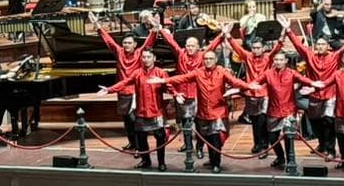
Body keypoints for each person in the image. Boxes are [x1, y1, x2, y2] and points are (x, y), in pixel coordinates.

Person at [151, 50, 253, 173]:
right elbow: (182, 78)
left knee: (216, 139)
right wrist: (164, 81)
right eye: (205, 59)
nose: (208, 61)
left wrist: (248, 86)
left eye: (210, 58)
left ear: (215, 60)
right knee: (208, 139)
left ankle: (216, 164)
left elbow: (234, 81)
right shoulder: (198, 72)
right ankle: (212, 160)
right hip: (203, 113)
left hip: (218, 113)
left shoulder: (222, 72)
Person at [283, 16, 344, 153]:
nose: (320, 46)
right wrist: (289, 30)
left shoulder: (334, 56)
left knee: (329, 121)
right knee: (315, 122)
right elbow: (299, 46)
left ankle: (331, 149)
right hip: (314, 96)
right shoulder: (310, 56)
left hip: (330, 95)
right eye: (318, 44)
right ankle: (322, 144)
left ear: (328, 46)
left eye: (322, 44)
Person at [92, 12, 157, 152]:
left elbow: (149, 42)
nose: (126, 45)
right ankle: (132, 143)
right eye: (125, 43)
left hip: (135, 93)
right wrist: (97, 25)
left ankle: (140, 147)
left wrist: (154, 28)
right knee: (127, 122)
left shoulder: (140, 53)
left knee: (135, 121)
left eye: (129, 43)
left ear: (135, 44)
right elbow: (108, 40)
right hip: (122, 92)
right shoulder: (119, 52)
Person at [99, 49, 173, 171]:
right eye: (143, 57)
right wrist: (109, 89)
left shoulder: (160, 73)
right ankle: (146, 160)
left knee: (160, 138)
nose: (146, 59)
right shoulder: (137, 73)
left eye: (148, 57)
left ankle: (161, 162)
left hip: (157, 112)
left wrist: (176, 94)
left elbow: (169, 86)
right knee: (141, 139)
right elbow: (124, 82)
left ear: (154, 58)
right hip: (141, 112)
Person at [158, 28, 225, 159]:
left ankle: (199, 147)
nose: (189, 48)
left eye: (192, 45)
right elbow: (171, 43)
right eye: (188, 45)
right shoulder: (181, 54)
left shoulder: (202, 55)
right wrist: (161, 30)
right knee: (185, 123)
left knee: (199, 123)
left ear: (198, 47)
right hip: (182, 94)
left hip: (197, 94)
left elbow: (213, 45)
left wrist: (222, 35)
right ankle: (187, 144)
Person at [226, 27, 279, 157]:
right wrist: (228, 35)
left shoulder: (268, 58)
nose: (255, 50)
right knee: (254, 121)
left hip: (264, 94)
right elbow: (237, 49)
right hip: (251, 95)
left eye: (258, 48)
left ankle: (264, 147)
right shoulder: (248, 57)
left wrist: (284, 34)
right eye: (254, 48)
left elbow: (277, 49)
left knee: (263, 121)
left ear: (263, 48)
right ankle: (257, 144)